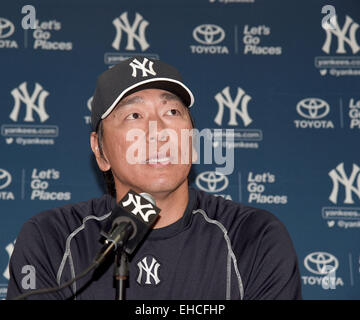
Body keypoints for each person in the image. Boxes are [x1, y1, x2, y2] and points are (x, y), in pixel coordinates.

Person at [6, 57, 302, 300]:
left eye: (172, 111)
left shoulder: (254, 237)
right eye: (133, 116)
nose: (157, 131)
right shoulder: (51, 240)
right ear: (100, 150)